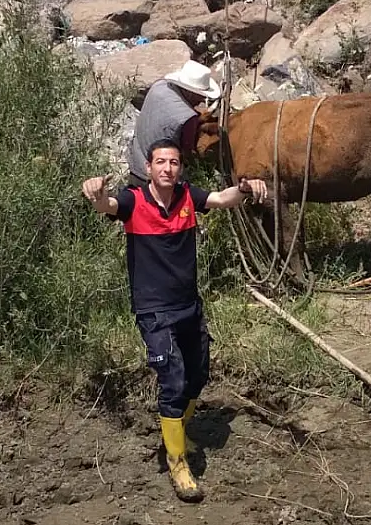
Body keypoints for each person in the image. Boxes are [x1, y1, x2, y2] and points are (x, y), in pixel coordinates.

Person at [82, 139, 267, 502]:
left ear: (180, 168)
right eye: (160, 162)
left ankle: (179, 431)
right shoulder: (134, 200)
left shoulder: (187, 195)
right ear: (148, 168)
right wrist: (95, 195)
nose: (167, 168)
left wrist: (245, 189)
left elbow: (220, 198)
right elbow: (108, 205)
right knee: (173, 379)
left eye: (174, 162)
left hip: (188, 305)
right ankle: (177, 462)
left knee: (198, 374)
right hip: (154, 310)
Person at [127, 60, 222, 188]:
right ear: (189, 91)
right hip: (157, 179)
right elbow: (185, 153)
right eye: (200, 95)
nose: (201, 100)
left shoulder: (158, 87)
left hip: (136, 161)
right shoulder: (188, 118)